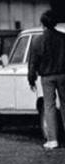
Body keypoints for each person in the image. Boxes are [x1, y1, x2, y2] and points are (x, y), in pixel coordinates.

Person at [28, 9, 65, 150]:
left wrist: (31, 80)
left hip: (47, 77)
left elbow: (33, 63)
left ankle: (53, 140)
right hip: (63, 74)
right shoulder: (63, 38)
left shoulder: (37, 41)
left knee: (49, 107)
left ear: (42, 24)